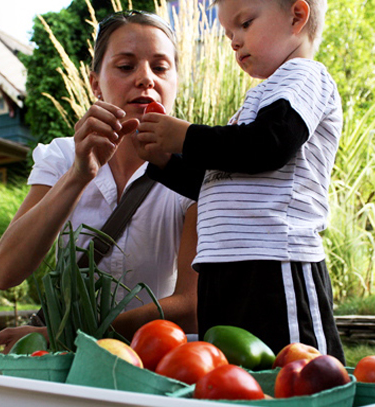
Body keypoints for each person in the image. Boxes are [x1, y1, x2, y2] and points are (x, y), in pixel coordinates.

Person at [132, 0, 345, 362]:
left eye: (244, 24)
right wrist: (166, 162)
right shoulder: (260, 99)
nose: (233, 41)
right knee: (231, 373)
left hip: (274, 261)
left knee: (297, 370)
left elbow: (270, 145)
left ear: (297, 16)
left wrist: (187, 137)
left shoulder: (304, 76)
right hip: (223, 265)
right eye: (229, 33)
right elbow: (217, 183)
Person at [0, 10, 198, 354]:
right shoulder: (62, 157)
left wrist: (71, 334)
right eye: (125, 66)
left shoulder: (199, 170)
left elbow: (190, 305)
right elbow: (5, 272)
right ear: (95, 83)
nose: (145, 79)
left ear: (176, 81)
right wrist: (79, 174)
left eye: (160, 67)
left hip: (158, 361)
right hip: (72, 366)